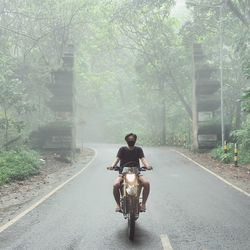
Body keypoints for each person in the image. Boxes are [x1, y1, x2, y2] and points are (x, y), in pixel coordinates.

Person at [109, 133, 152, 212]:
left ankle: (143, 204)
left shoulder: (138, 149)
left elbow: (143, 159)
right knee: (116, 185)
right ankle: (118, 204)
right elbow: (117, 159)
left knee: (146, 183)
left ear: (135, 140)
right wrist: (112, 166)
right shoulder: (122, 149)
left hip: (136, 172)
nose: (131, 141)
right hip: (123, 173)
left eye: (132, 139)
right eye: (129, 139)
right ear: (126, 140)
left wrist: (147, 166)